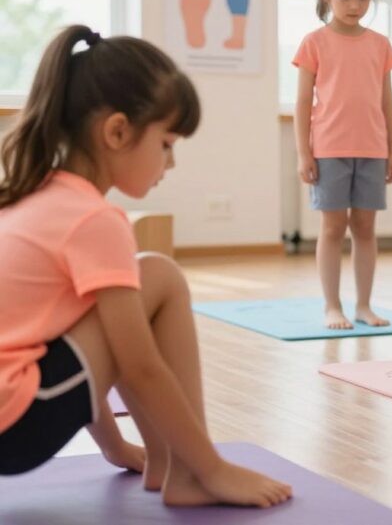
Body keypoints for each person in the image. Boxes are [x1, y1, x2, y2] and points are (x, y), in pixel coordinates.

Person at [0, 25, 291, 507]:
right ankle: (190, 472)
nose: (170, 164)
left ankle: (165, 462)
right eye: (167, 144)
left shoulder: (30, 198)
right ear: (117, 131)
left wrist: (114, 448)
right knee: (161, 276)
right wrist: (213, 467)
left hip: (14, 416)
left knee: (140, 279)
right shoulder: (94, 220)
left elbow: (64, 341)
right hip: (17, 425)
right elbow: (137, 365)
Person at [293, 0, 392, 330]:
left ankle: (364, 305)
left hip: (372, 148)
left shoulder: (379, 45)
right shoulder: (314, 43)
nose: (355, 5)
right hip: (328, 150)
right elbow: (303, 102)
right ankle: (331, 305)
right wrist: (303, 153)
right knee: (333, 228)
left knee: (366, 229)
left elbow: (387, 103)